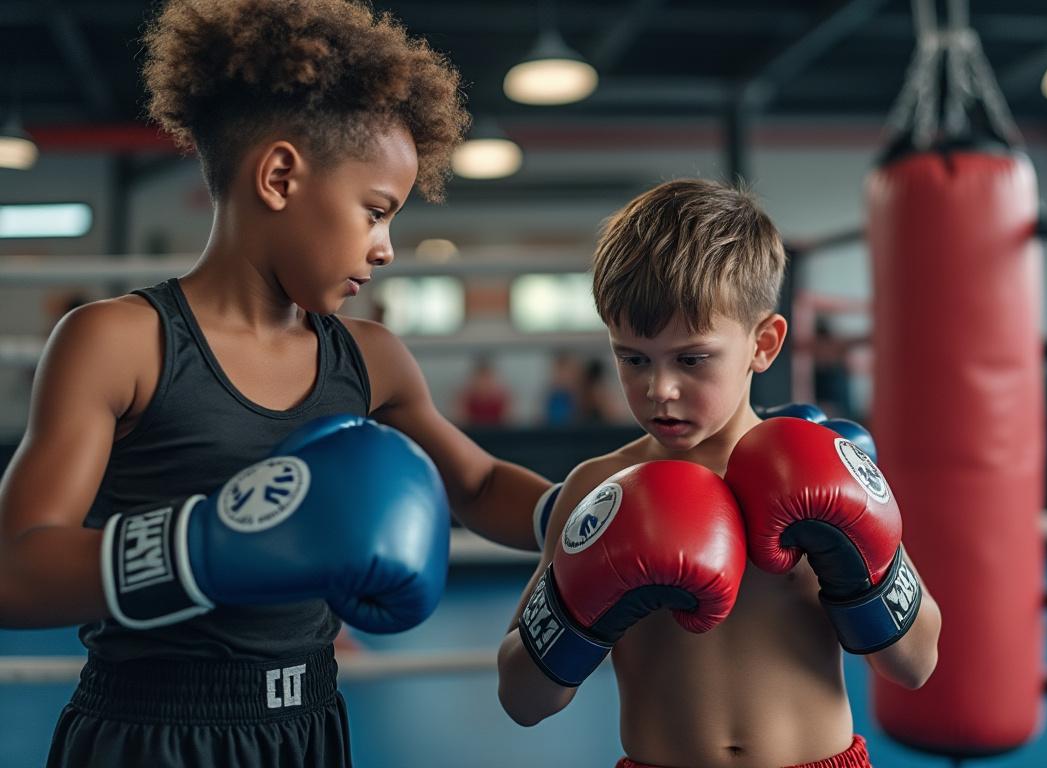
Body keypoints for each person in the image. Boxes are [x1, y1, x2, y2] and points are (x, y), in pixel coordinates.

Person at [0, 2, 553, 766]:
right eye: (375, 212)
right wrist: (199, 550)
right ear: (281, 175)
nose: (387, 249)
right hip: (146, 730)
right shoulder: (121, 343)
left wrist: (587, 518)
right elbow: (15, 568)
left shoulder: (371, 359)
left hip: (310, 727)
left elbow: (481, 483)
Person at [496, 179, 941, 768]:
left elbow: (914, 664)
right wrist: (578, 609)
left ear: (764, 344)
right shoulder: (597, 491)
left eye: (691, 358)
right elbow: (523, 699)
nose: (660, 389)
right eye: (633, 358)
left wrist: (861, 569)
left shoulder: (827, 470)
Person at [459, 355, 512, 426]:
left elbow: (509, 423)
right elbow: (461, 423)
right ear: (474, 379)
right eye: (481, 378)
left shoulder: (503, 398)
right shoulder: (464, 399)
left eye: (487, 378)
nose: (484, 383)